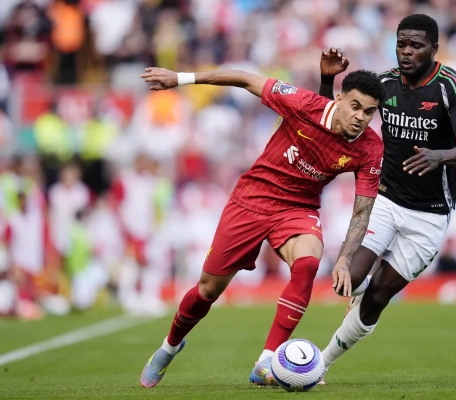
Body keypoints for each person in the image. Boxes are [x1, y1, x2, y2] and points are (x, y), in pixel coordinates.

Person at [138, 66, 386, 387]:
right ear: (339, 99)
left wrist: (344, 260)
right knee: (207, 290)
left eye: (369, 111)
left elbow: (362, 210)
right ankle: (169, 346)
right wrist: (181, 78)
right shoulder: (302, 103)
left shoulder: (371, 148)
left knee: (308, 263)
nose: (360, 117)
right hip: (252, 200)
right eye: (355, 106)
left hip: (298, 208)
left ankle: (266, 360)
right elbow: (245, 79)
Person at [316, 14, 456, 382]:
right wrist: (327, 81)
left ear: (434, 49)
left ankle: (321, 363)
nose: (406, 51)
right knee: (347, 279)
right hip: (385, 200)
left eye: (415, 45)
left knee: (378, 296)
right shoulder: (385, 84)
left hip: (430, 214)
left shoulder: (452, 86)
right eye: (401, 44)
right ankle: (349, 307)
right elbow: (333, 126)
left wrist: (439, 156)